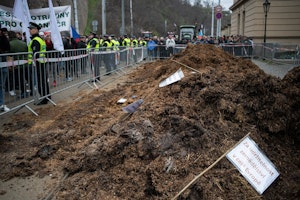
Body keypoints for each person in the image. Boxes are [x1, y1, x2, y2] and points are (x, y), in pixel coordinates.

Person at [27, 22, 50, 105]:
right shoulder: (40, 39)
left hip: (38, 63)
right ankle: (47, 96)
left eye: (31, 29)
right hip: (42, 62)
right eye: (29, 29)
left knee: (41, 81)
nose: (29, 30)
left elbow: (35, 53)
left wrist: (33, 61)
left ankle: (44, 98)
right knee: (43, 80)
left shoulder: (36, 40)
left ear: (36, 30)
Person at [8, 31, 28, 99]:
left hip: (16, 64)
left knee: (17, 78)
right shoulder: (23, 43)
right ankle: (26, 91)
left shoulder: (10, 44)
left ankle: (21, 92)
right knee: (24, 77)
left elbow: (9, 55)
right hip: (24, 63)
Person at [0, 24, 11, 112]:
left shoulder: (3, 38)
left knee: (2, 85)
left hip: (3, 63)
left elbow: (7, 47)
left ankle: (2, 104)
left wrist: (3, 36)